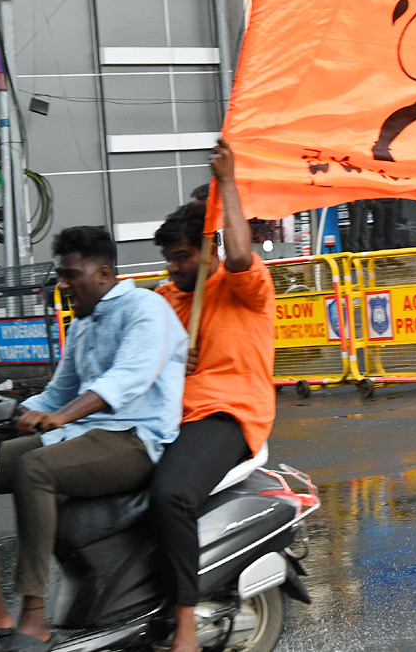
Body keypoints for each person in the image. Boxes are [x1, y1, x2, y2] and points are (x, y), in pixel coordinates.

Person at [0, 227, 187, 650]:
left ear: (105, 273)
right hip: (85, 432)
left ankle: (33, 616)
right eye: (61, 275)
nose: (64, 284)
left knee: (35, 470)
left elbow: (126, 379)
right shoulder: (84, 323)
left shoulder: (145, 309)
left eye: (72, 275)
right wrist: (2, 414)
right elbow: (59, 391)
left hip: (135, 437)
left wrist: (60, 416)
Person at [151, 138, 277, 652]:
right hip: (167, 419)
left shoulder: (243, 284)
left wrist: (227, 181)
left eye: (181, 257)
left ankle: (185, 621)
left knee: (170, 495)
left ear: (206, 250)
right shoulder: (163, 299)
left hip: (227, 415)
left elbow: (241, 252)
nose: (173, 269)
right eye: (167, 259)